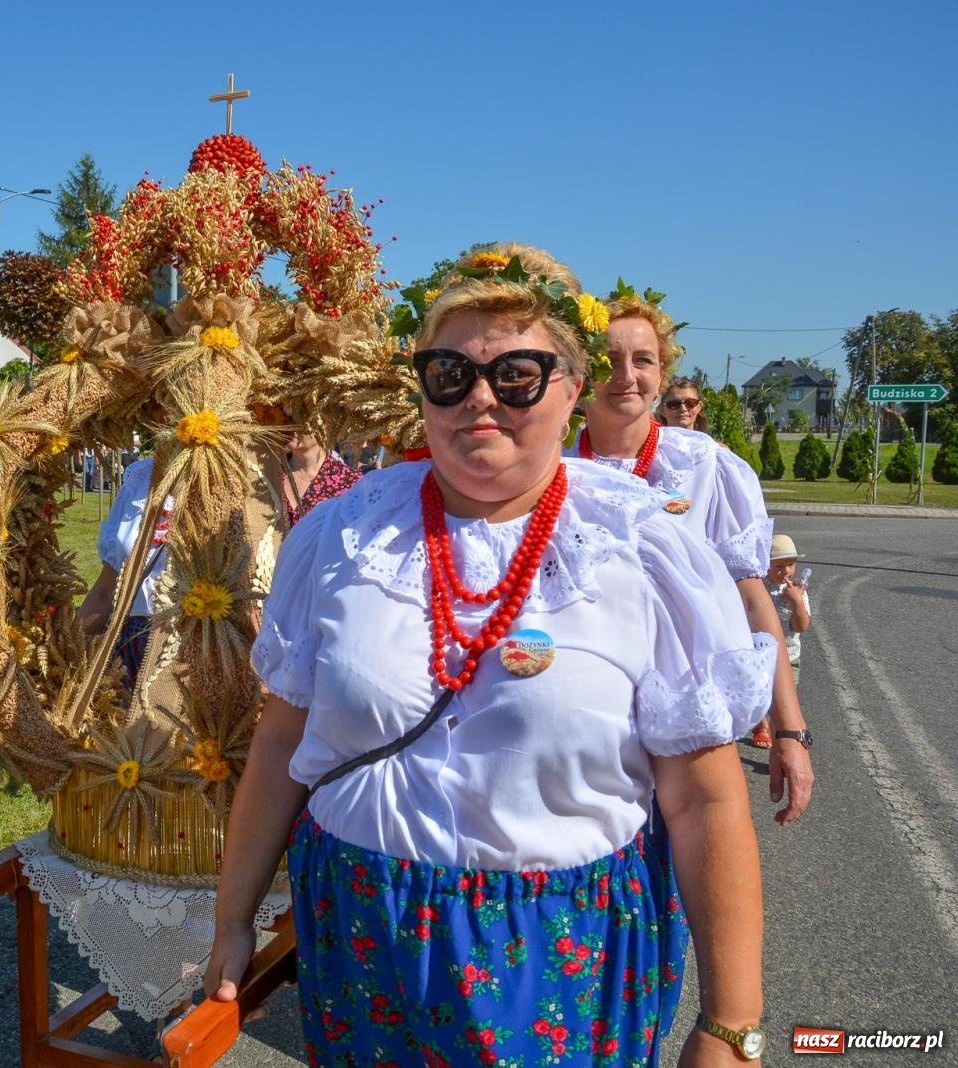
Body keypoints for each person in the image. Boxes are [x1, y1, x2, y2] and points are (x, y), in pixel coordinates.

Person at [207, 245, 773, 1065]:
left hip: (560, 953)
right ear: (423, 388)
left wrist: (731, 1025)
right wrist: (232, 922)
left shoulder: (642, 550)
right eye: (450, 373)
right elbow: (281, 743)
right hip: (367, 941)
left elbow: (705, 803)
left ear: (572, 388)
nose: (480, 399)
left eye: (517, 376)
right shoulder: (341, 536)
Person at [572, 289, 814, 820]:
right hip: (583, 718)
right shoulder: (550, 462)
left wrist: (791, 732)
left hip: (687, 710)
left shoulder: (703, 465)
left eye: (643, 360)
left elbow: (753, 602)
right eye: (607, 361)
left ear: (663, 372)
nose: (626, 376)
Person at [78, 455, 173, 685]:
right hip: (132, 648)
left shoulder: (244, 483)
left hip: (192, 657)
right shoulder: (140, 478)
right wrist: (61, 652)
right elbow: (106, 591)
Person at [766, 534, 812, 689]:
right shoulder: (759, 587)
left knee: (786, 701)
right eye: (778, 566)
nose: (785, 571)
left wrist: (796, 602)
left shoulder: (797, 591)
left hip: (789, 656)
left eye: (790, 564)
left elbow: (801, 627)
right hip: (763, 656)